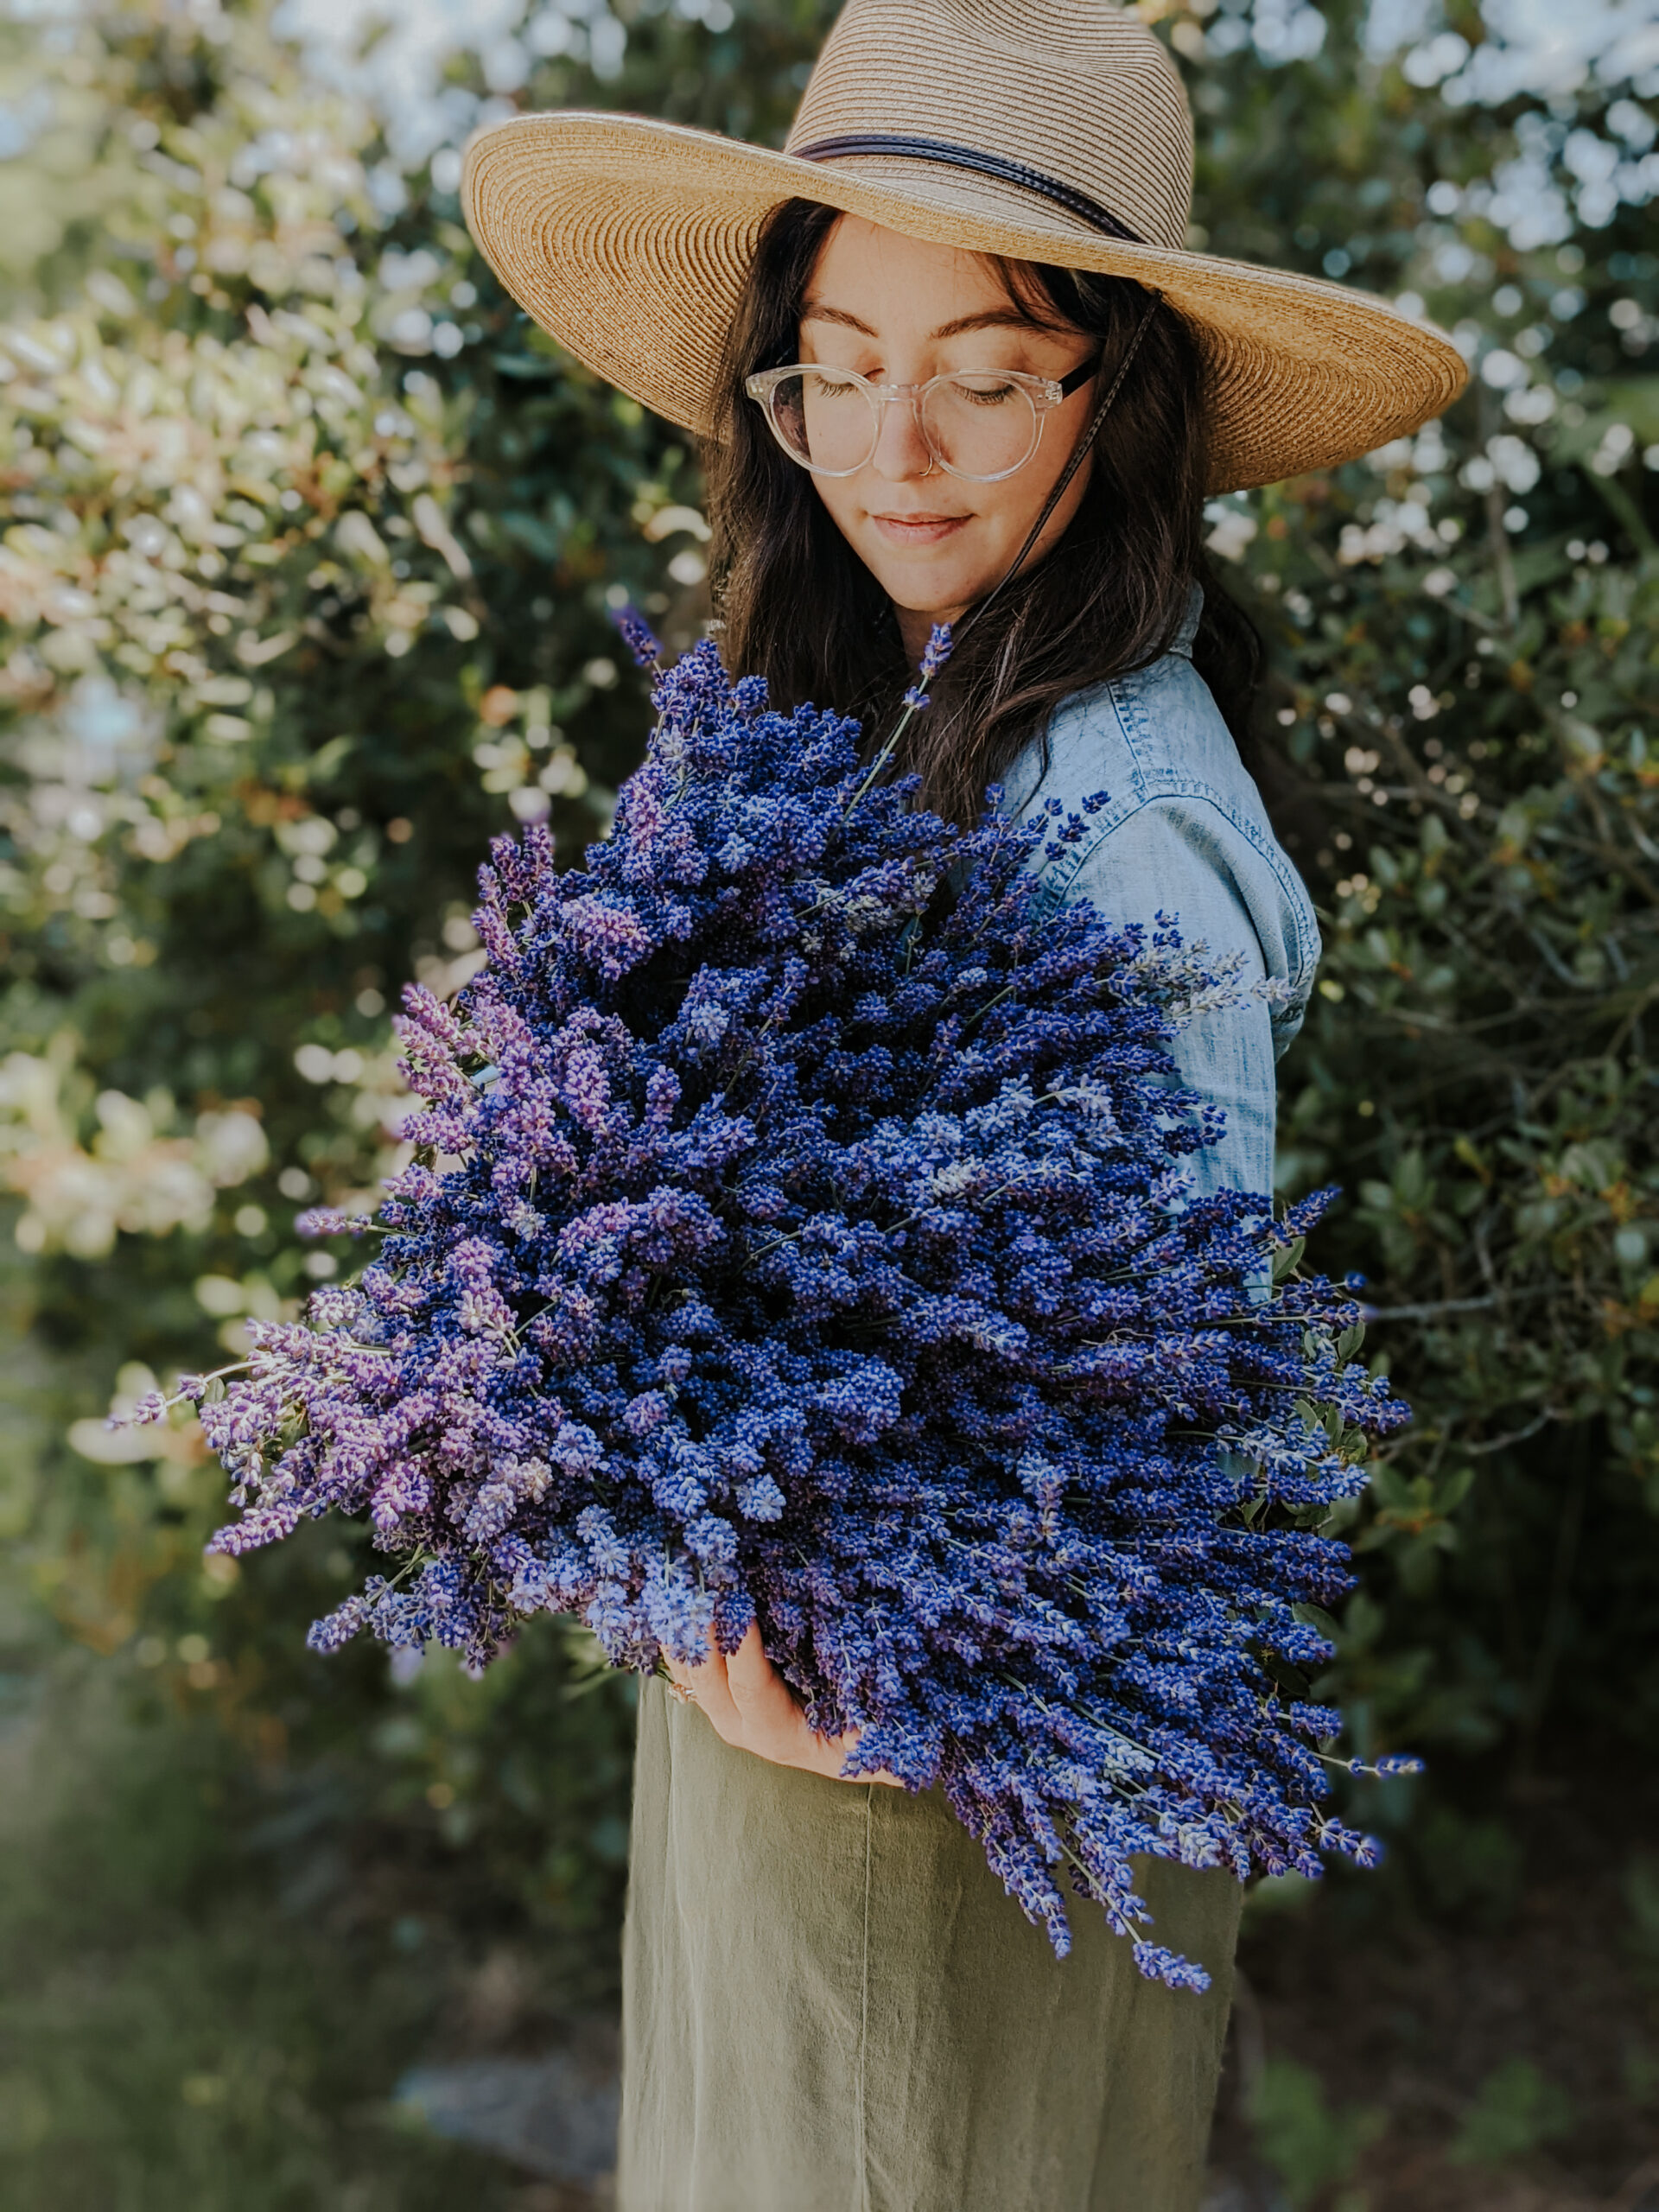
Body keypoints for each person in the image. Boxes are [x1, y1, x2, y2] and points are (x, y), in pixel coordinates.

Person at [462, 6, 1465, 2205]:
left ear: (1125, 389)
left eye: (990, 369)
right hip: (772, 1723)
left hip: (941, 1791)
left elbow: (1211, 1426)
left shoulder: (1120, 818)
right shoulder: (840, 701)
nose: (895, 442)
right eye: (834, 359)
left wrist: (882, 1665)